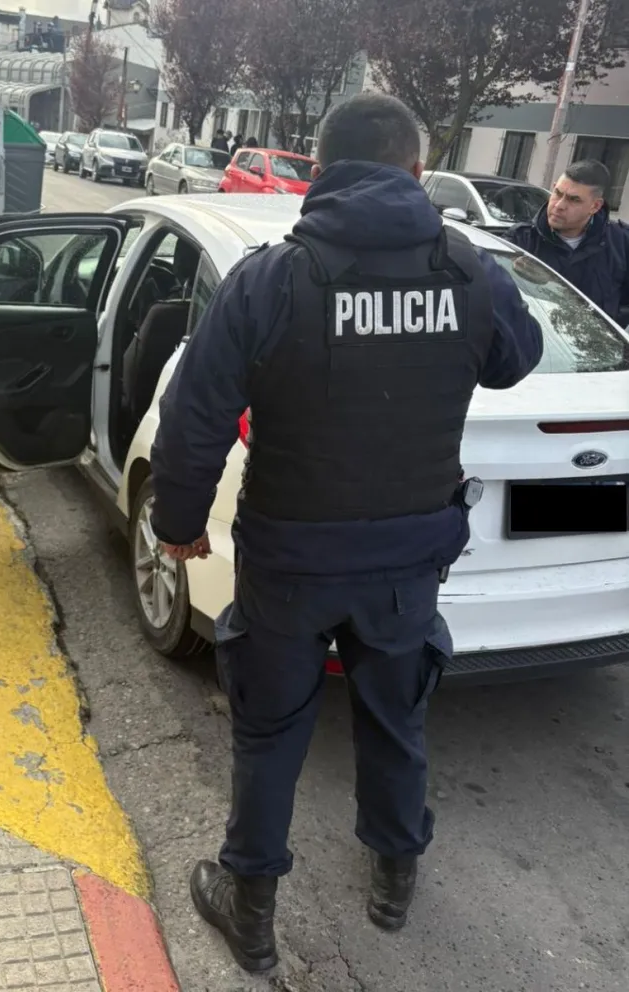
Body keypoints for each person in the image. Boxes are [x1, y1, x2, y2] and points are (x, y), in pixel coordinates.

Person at [148, 93, 543, 973]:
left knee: (270, 732)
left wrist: (177, 525)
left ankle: (248, 907)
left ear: (317, 174)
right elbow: (516, 363)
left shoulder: (269, 279)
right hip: (406, 562)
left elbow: (193, 418)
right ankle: (392, 881)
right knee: (395, 720)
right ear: (415, 172)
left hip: (290, 562)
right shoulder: (468, 270)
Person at [501, 159, 629, 324]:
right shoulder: (521, 240)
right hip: (538, 344)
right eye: (558, 193)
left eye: (574, 200)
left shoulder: (621, 244)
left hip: (595, 346)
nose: (559, 205)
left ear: (595, 206)